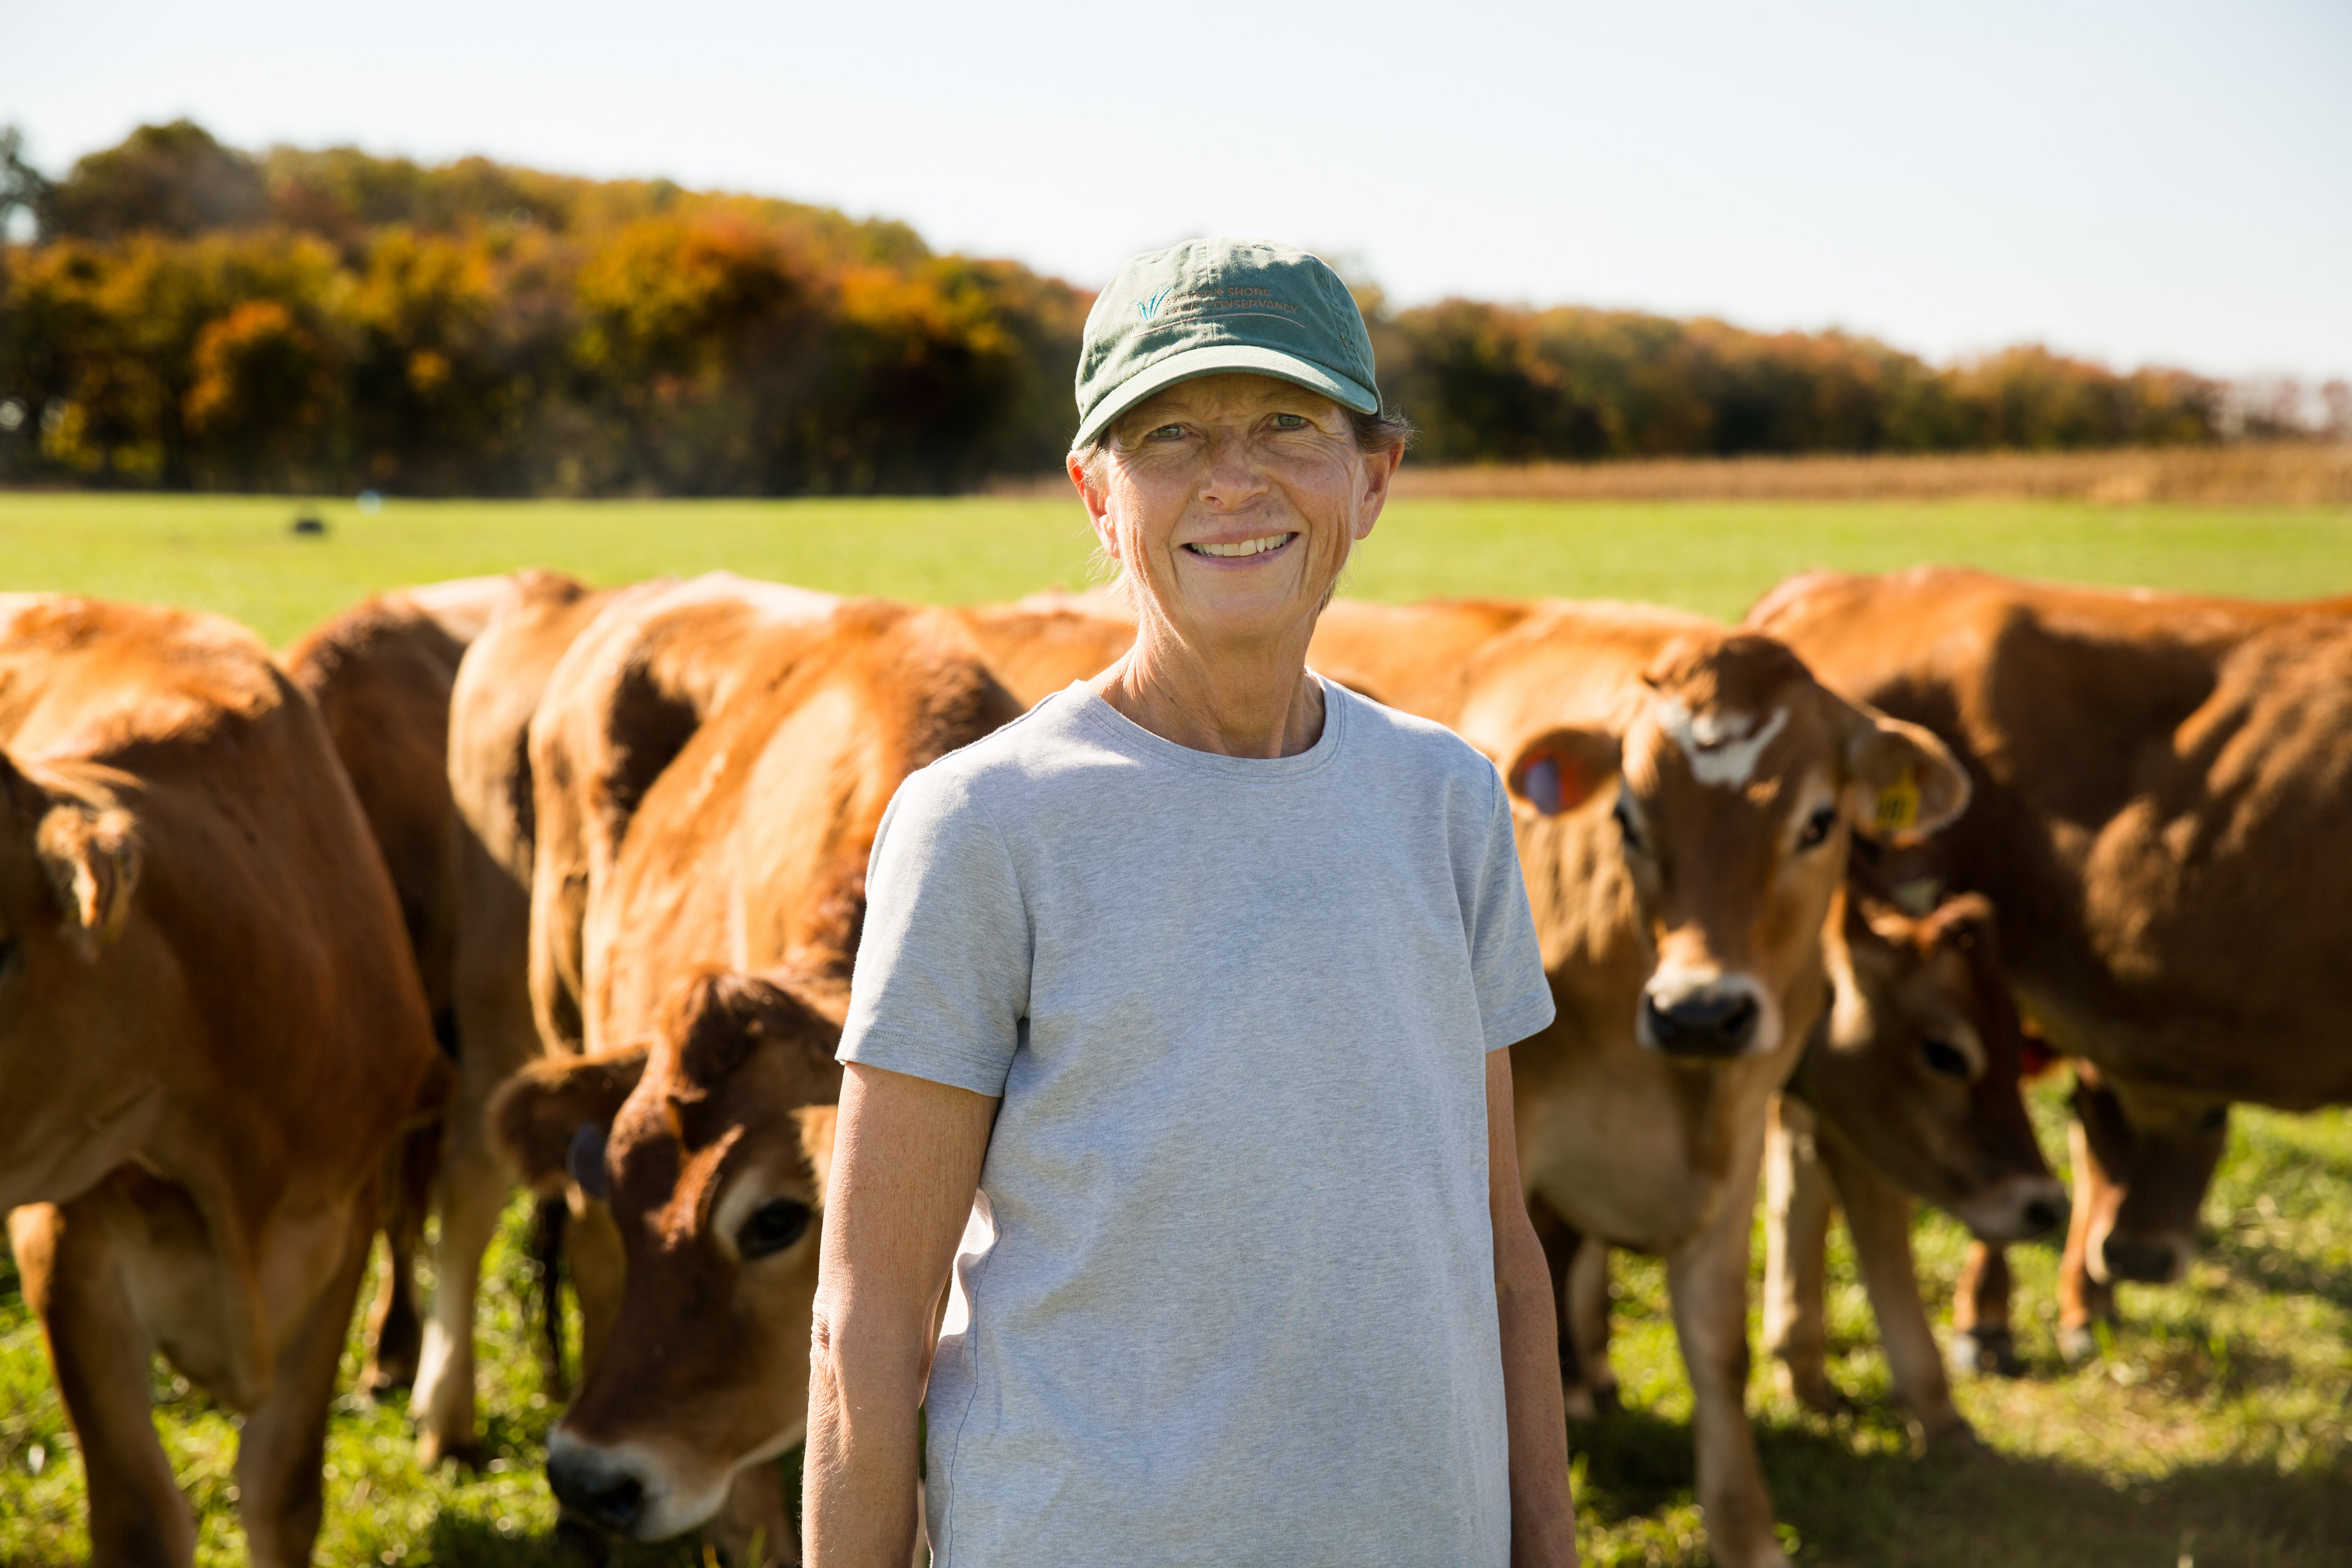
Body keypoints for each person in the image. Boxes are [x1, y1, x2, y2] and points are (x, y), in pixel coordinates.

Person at [803, 238, 1578, 1567]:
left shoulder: (1445, 803)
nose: (1231, 477)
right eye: (1166, 435)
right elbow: (867, 1319)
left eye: (1287, 421)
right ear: (1096, 498)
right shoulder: (986, 823)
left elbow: (1498, 1250)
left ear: (1372, 473)